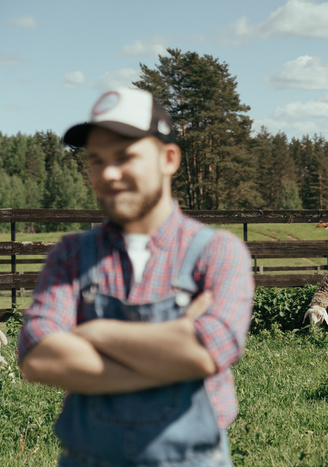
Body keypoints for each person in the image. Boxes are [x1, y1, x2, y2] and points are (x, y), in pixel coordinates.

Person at [18, 87, 254, 466]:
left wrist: (95, 334)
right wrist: (175, 350)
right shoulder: (71, 255)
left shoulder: (217, 252)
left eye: (125, 156)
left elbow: (210, 351)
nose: (108, 173)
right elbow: (38, 358)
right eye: (96, 160)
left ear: (169, 158)